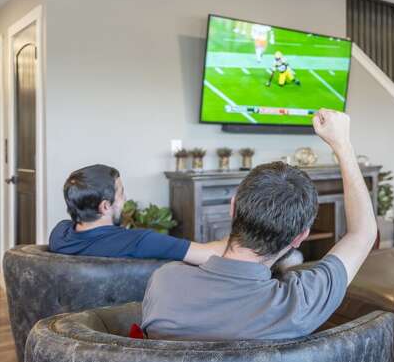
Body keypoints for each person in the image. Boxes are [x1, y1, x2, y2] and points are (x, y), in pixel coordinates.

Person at [140, 109, 377, 340]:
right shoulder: (300, 303)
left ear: (233, 207)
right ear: (300, 237)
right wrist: (343, 146)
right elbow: (363, 233)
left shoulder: (164, 281)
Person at [49, 165, 225, 265]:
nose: (125, 199)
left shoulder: (59, 234)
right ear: (105, 206)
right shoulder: (139, 241)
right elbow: (212, 255)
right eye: (121, 193)